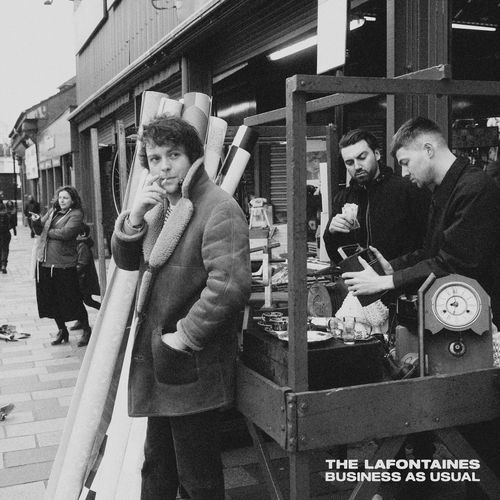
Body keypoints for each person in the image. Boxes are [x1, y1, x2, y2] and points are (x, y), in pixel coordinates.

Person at [111, 115, 251, 500]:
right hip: (162, 363)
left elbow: (230, 286)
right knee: (157, 467)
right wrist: (135, 217)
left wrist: (183, 337)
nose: (164, 166)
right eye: (155, 158)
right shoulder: (163, 209)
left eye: (174, 155)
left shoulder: (217, 207)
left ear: (193, 157)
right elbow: (127, 265)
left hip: (189, 364)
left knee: (198, 479)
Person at [342, 117, 500, 325]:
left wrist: (386, 281)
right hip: (458, 311)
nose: (405, 173)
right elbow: (430, 252)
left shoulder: (474, 188)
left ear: (428, 150)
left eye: (406, 163)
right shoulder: (444, 190)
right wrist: (392, 267)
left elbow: (453, 264)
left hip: (481, 317)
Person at [323, 129, 430, 263]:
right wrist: (332, 234)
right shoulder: (343, 198)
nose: (357, 166)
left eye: (362, 157)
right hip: (362, 280)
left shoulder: (408, 189)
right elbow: (337, 258)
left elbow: (430, 246)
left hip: (402, 280)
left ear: (377, 154)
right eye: (349, 163)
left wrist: (396, 269)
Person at [31, 186, 92, 346]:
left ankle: (86, 330)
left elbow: (67, 233)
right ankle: (62, 330)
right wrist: (36, 221)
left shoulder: (76, 214)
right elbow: (39, 231)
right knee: (51, 300)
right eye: (60, 197)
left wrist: (46, 231)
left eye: (65, 198)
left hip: (64, 265)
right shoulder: (53, 212)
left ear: (72, 200)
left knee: (73, 299)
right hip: (45, 262)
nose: (62, 200)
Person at [69, 223, 101, 346]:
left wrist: (72, 271)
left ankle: (101, 312)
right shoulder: (79, 244)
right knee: (84, 301)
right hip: (82, 279)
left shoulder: (82, 245)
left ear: (81, 234)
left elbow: (82, 263)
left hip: (83, 280)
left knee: (85, 301)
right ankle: (81, 321)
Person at [0, 202, 15, 274]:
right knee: (5, 250)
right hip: (6, 234)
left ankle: (0, 265)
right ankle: (3, 265)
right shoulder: (7, 215)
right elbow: (12, 224)